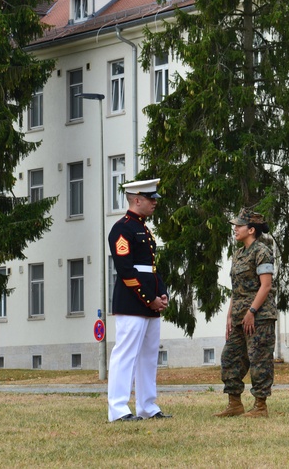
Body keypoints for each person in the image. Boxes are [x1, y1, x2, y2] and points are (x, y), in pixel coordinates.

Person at [106, 178, 171, 422]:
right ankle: (118, 409)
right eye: (150, 198)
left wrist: (162, 294)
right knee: (125, 355)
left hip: (149, 303)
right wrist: (149, 299)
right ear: (136, 200)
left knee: (148, 356)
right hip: (132, 303)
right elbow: (126, 270)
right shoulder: (121, 229)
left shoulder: (144, 229)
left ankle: (147, 406)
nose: (155, 202)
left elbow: (151, 268)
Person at [214, 208, 276, 419]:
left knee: (259, 361)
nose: (235, 229)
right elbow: (236, 289)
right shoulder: (239, 254)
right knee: (230, 357)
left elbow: (265, 286)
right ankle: (235, 404)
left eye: (239, 226)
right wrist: (230, 316)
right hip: (240, 316)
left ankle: (260, 406)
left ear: (251, 229)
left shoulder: (262, 251)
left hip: (259, 317)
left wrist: (251, 311)